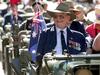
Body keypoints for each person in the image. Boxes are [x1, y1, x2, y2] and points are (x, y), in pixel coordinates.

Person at [36, 2, 87, 75]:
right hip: (51, 68)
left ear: (68, 18)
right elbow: (38, 56)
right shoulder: (45, 34)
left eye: (61, 16)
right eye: (55, 17)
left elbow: (83, 57)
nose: (58, 19)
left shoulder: (79, 36)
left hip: (72, 67)